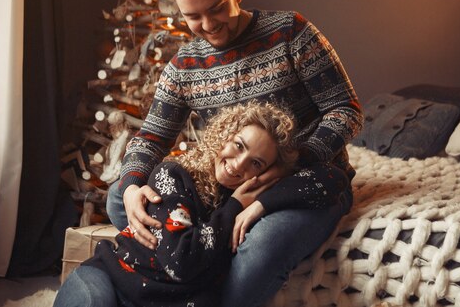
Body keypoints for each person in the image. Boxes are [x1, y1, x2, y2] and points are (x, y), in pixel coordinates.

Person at [107, 0, 364, 307]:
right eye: (193, 17)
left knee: (262, 246)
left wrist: (290, 165)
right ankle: (190, 268)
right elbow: (150, 138)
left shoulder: (291, 32)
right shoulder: (184, 68)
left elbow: (346, 109)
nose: (209, 25)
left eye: (217, 8)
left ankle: (200, 271)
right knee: (119, 198)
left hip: (307, 182)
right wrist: (133, 186)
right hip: (228, 195)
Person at [54, 102, 313, 307]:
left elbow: (331, 182)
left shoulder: (250, 206)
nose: (239, 164)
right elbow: (181, 261)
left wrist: (263, 197)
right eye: (238, 145)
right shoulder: (173, 175)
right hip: (111, 280)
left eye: (256, 163)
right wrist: (234, 205)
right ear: (225, 135)